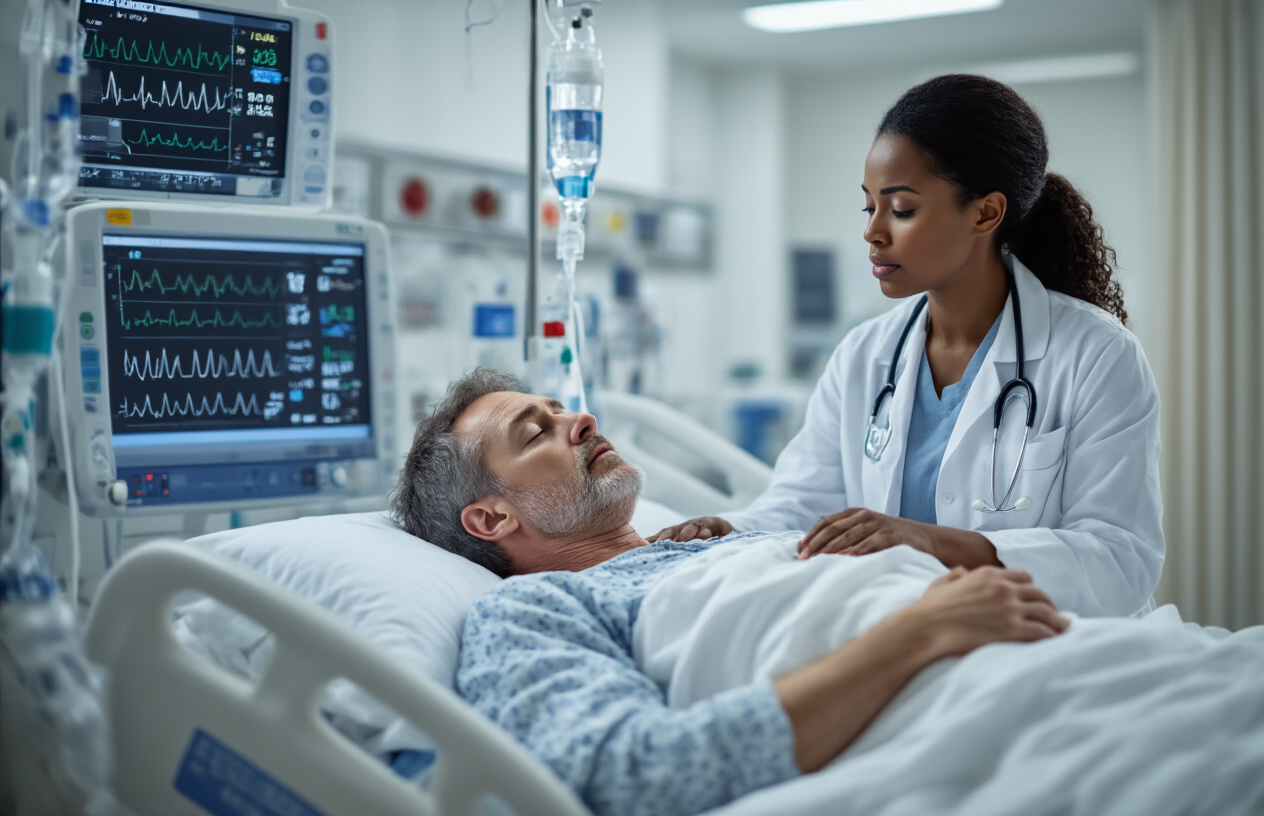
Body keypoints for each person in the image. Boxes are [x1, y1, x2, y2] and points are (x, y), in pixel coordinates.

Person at [390, 368, 1070, 816]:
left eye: (562, 409)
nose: (584, 420)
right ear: (490, 519)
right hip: (984, 718)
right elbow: (637, 776)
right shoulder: (533, 612)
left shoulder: (718, 540)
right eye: (537, 431)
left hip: (1049, 663)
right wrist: (918, 632)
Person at [651, 74, 1163, 618]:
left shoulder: (1097, 354)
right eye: (868, 206)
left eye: (901, 209)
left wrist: (930, 541)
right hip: (913, 637)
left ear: (986, 213)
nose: (873, 231)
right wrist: (729, 530)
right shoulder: (864, 355)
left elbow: (1119, 561)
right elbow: (803, 504)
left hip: (1060, 644)